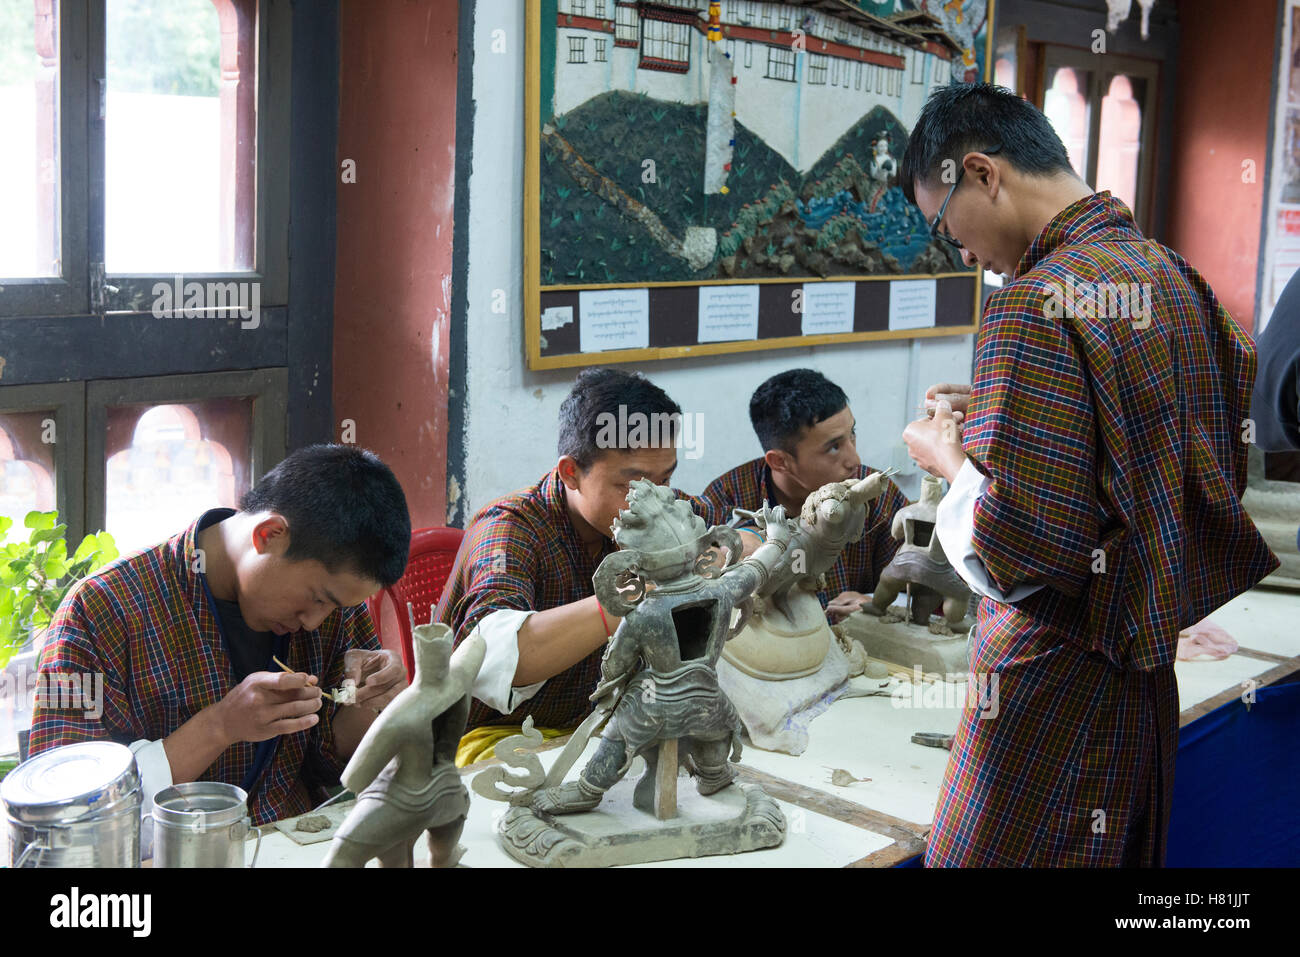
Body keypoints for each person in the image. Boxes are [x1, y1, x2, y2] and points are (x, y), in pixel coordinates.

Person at [898, 83, 1277, 867]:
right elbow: (1183, 450)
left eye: (946, 226)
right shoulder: (1169, 274)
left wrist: (952, 460)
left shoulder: (1031, 305)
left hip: (1051, 687)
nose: (963, 253)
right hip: (1140, 676)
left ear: (981, 173)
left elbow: (1018, 551)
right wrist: (1015, 410)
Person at [30, 444, 413, 825]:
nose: (314, 621)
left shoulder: (333, 610)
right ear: (269, 534)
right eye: (316, 599)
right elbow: (63, 806)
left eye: (335, 607)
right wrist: (220, 726)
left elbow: (330, 765)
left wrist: (368, 701)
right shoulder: (100, 610)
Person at [437, 368, 731, 764]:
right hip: (501, 740)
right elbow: (498, 656)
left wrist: (746, 545)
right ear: (571, 473)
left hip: (604, 725)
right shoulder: (510, 529)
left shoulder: (658, 506)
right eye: (631, 485)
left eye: (666, 479)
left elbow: (733, 534)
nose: (656, 501)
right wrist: (633, 595)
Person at [700, 368, 906, 622]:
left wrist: (880, 603)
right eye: (833, 447)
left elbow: (923, 588)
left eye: (852, 433)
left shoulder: (875, 495)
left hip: (858, 649)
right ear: (780, 462)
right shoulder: (727, 499)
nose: (854, 460)